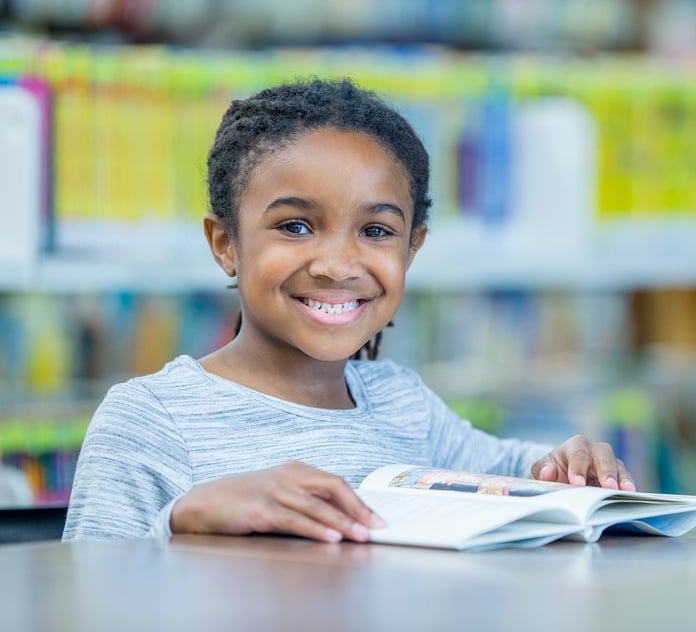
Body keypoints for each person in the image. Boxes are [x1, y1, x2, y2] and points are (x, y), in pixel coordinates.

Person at [62, 77, 636, 544]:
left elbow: (514, 470)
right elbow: (86, 595)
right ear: (225, 244)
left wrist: (566, 464)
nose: (338, 265)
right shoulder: (150, 420)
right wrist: (182, 519)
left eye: (375, 230)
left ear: (412, 249)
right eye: (295, 226)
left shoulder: (405, 407)